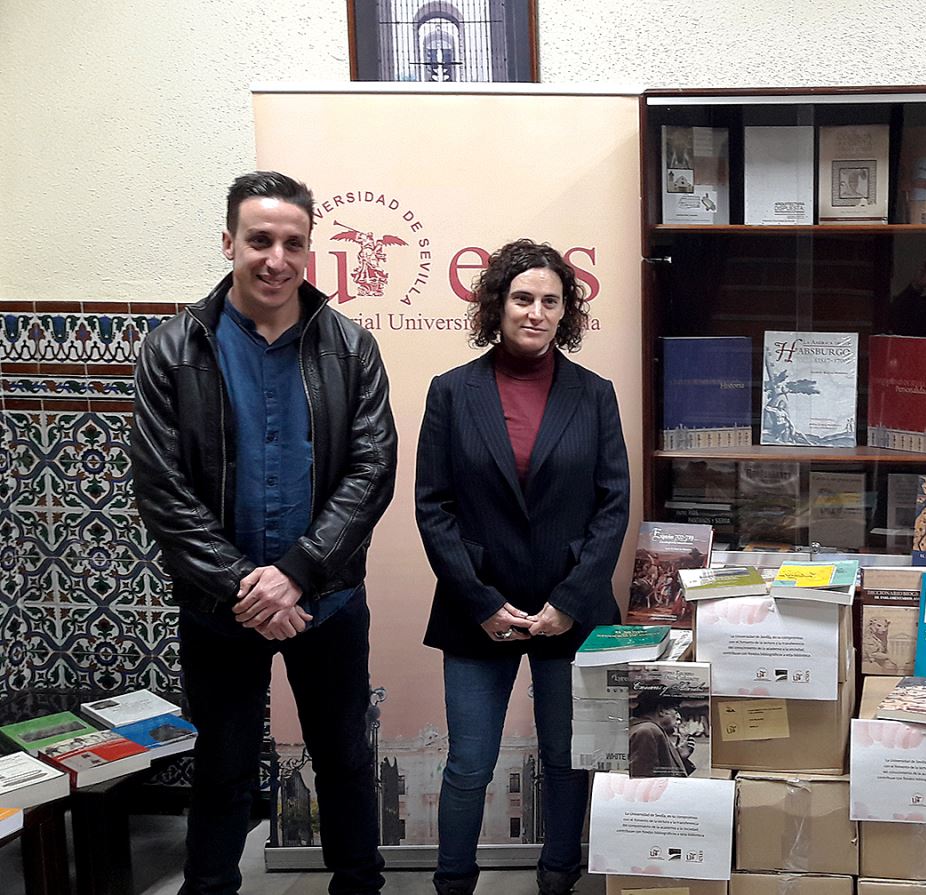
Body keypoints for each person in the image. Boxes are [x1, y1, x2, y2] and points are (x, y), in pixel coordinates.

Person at [130, 171, 397, 895]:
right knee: (222, 763)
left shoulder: (351, 347)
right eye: (259, 240)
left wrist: (297, 572)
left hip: (328, 600)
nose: (275, 258)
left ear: (310, 251)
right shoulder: (173, 348)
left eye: (292, 243)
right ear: (228, 242)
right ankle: (210, 886)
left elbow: (372, 470)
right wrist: (245, 583)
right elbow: (161, 485)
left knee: (343, 756)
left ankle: (359, 884)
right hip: (221, 608)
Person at [415, 239, 629, 895]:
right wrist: (479, 601)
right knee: (469, 763)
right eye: (522, 298)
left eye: (550, 301)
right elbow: (434, 506)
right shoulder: (452, 392)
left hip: (571, 611)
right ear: (497, 305)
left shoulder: (595, 395)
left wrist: (570, 597)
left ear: (566, 313)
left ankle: (558, 875)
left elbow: (612, 503)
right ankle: (453, 880)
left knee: (567, 761)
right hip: (477, 612)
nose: (535, 312)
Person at [627, 693, 694, 778]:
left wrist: (679, 757)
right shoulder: (648, 731)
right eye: (676, 710)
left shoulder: (650, 730)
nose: (679, 717)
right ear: (661, 710)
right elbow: (644, 780)